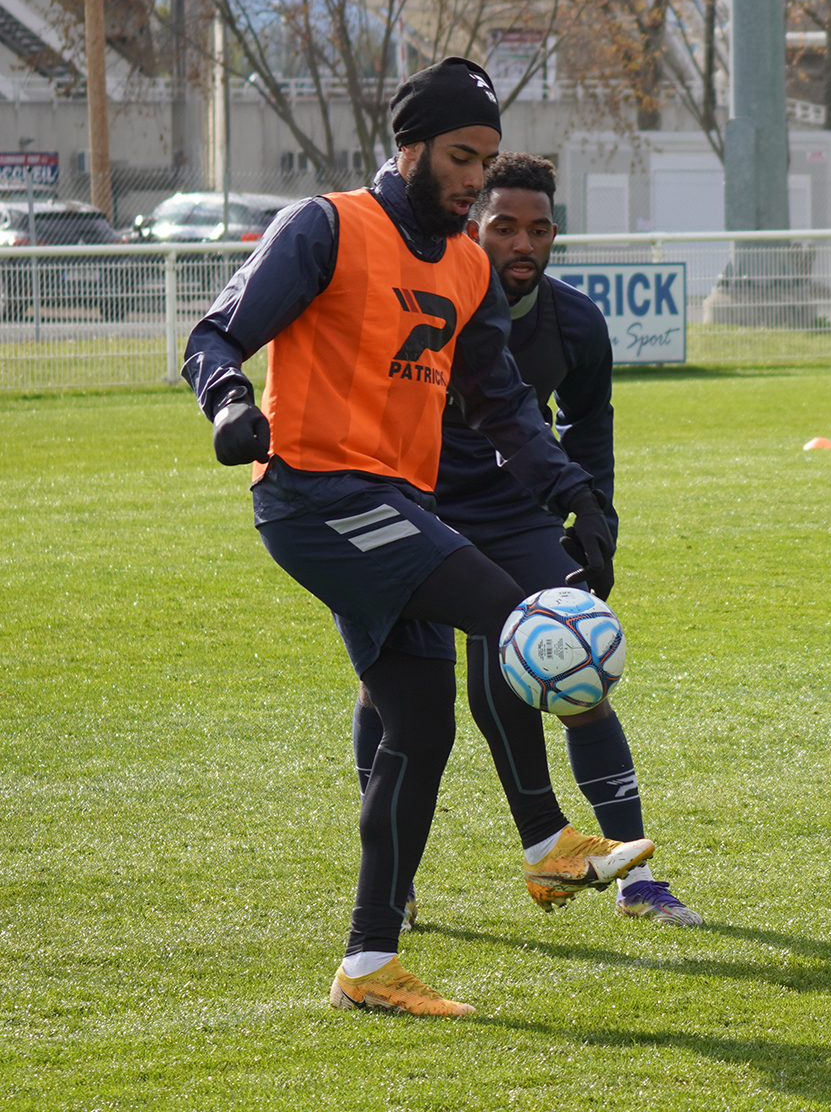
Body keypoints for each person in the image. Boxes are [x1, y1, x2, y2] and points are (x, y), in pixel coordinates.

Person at [183, 57, 655, 1018]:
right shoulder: (324, 227)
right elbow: (215, 335)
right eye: (461, 157)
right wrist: (229, 404)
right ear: (412, 148)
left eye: (484, 160)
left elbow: (506, 403)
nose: (477, 180)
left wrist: (577, 492)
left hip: (396, 507)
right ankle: (547, 844)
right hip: (315, 497)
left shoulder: (469, 263)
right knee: (521, 617)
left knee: (421, 727)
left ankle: (368, 964)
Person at [351, 152, 701, 927]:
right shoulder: (426, 302)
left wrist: (594, 512)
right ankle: (395, 884)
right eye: (503, 226)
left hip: (517, 510)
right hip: (416, 503)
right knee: (398, 692)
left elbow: (587, 421)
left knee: (579, 671)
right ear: (473, 227)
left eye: (537, 229)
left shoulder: (574, 320)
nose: (521, 244)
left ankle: (636, 877)